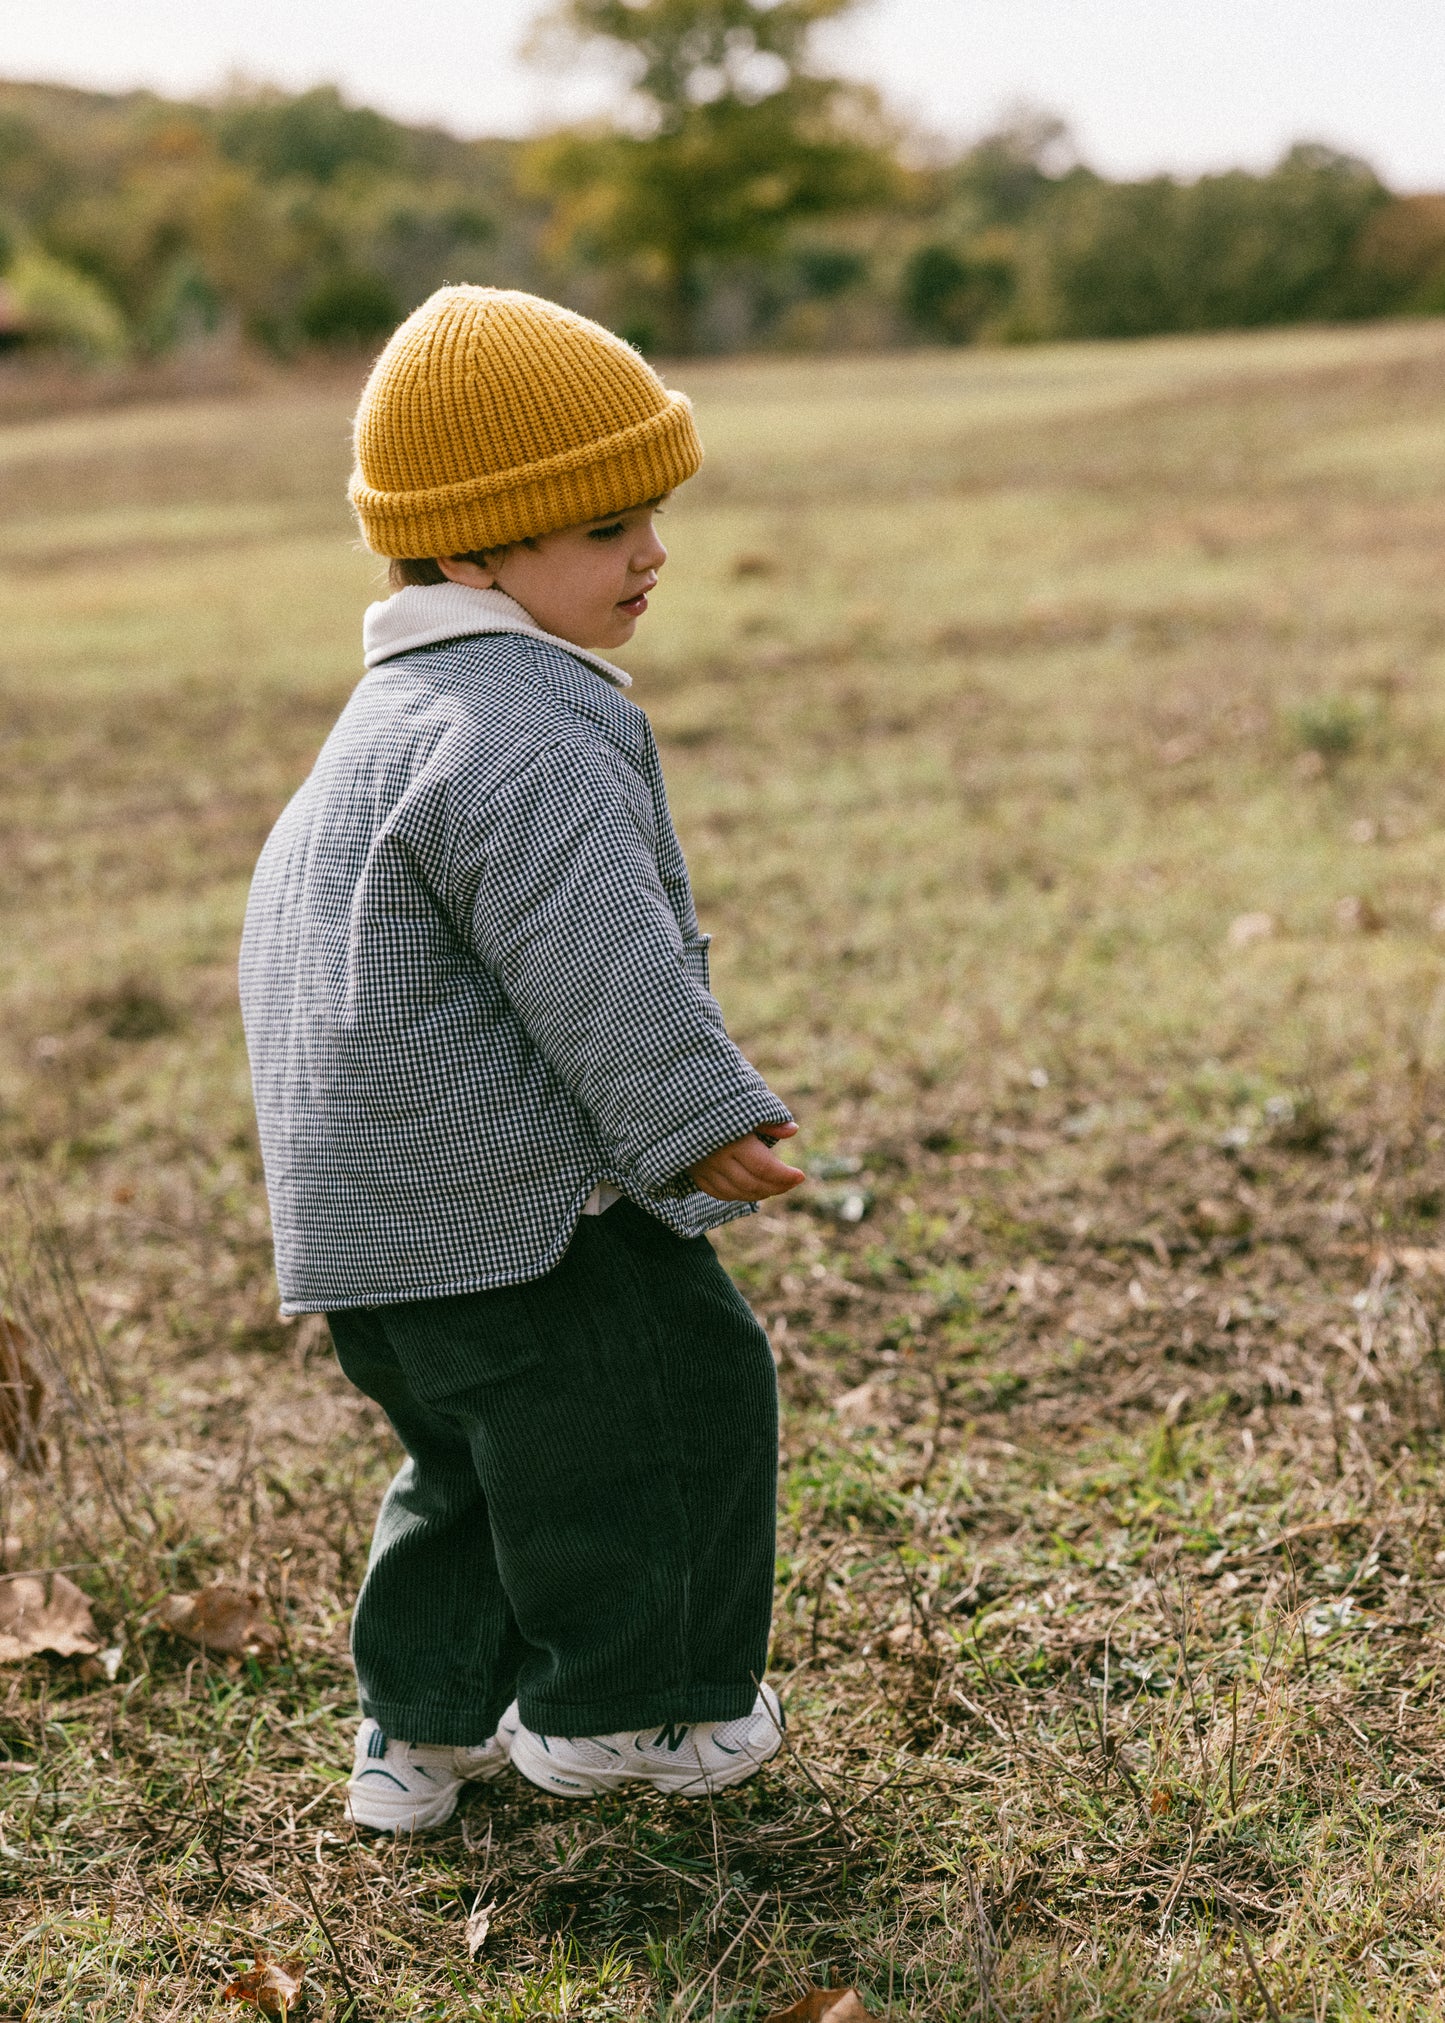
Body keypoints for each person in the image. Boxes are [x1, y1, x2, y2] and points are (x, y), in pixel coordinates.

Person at [239, 286, 805, 1835]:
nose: (651, 553)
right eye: (607, 525)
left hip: (371, 1233)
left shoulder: (386, 718)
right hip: (518, 1213)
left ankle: (423, 1732)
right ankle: (634, 1715)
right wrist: (692, 1117)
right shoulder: (527, 725)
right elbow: (592, 955)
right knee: (675, 1398)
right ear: (478, 548)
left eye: (654, 514)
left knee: (480, 1467)